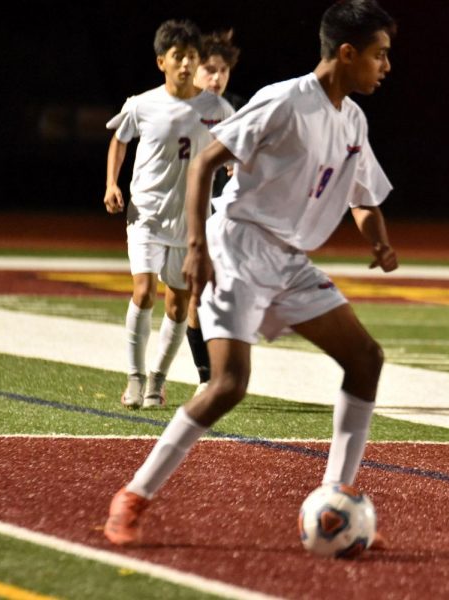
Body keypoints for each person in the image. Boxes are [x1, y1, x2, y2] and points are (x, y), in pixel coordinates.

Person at [104, 0, 397, 547]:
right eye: (380, 55)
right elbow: (204, 163)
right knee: (228, 386)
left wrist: (378, 241)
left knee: (365, 359)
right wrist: (197, 247)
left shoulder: (353, 120)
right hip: (238, 246)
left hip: (288, 260)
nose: (386, 66)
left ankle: (337, 499)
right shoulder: (284, 100)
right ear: (347, 52)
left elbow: (364, 196)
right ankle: (134, 495)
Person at [103, 19, 235, 410]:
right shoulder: (142, 104)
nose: (185, 64)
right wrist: (112, 183)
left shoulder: (216, 108)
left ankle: (158, 381)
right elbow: (119, 140)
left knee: (178, 305)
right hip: (145, 214)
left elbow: (237, 143)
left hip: (188, 221)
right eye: (178, 57)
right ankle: (134, 377)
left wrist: (235, 164)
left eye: (191, 57)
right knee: (143, 292)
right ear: (162, 61)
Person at [185, 29, 242, 397]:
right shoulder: (175, 107)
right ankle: (149, 373)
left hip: (219, 217)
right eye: (209, 69)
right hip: (179, 217)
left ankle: (207, 376)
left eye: (222, 70)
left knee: (208, 292)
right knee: (183, 297)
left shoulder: (234, 112)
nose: (216, 77)